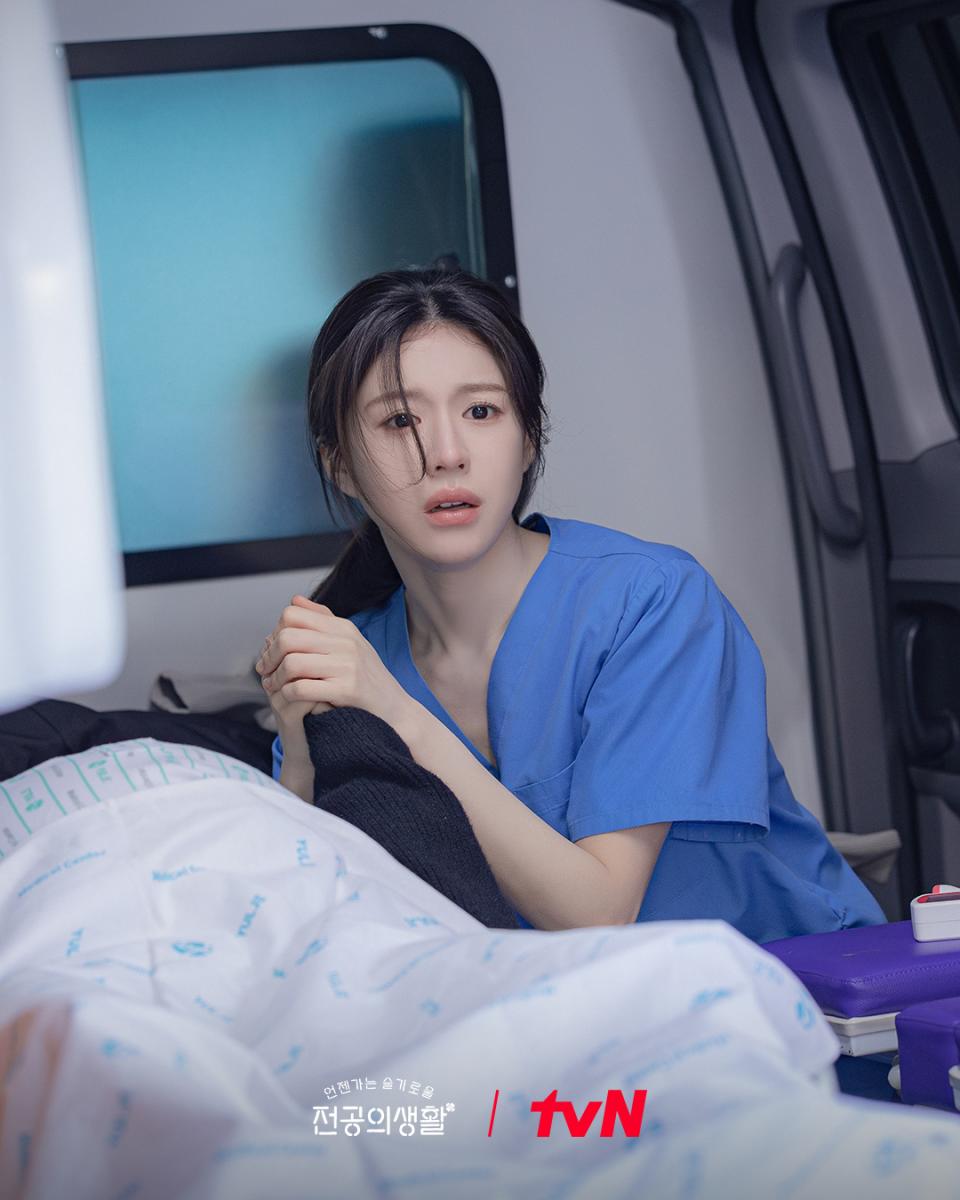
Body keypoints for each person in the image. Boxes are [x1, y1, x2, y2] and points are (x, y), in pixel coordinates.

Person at [255, 265, 887, 943]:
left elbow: (600, 911)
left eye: (481, 412)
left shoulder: (651, 602)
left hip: (796, 988)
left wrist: (398, 716)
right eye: (400, 419)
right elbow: (304, 928)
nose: (446, 454)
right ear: (339, 465)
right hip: (562, 1004)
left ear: (529, 438)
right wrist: (300, 749)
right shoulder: (358, 660)